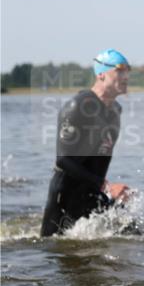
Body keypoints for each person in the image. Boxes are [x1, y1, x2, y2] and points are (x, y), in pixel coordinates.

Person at [40, 50, 132, 236]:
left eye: (128, 71)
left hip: (92, 193)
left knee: (134, 235)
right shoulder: (77, 107)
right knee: (53, 245)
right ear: (101, 74)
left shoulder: (116, 109)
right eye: (119, 70)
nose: (126, 77)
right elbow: (63, 160)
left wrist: (110, 194)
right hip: (65, 197)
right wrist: (107, 187)